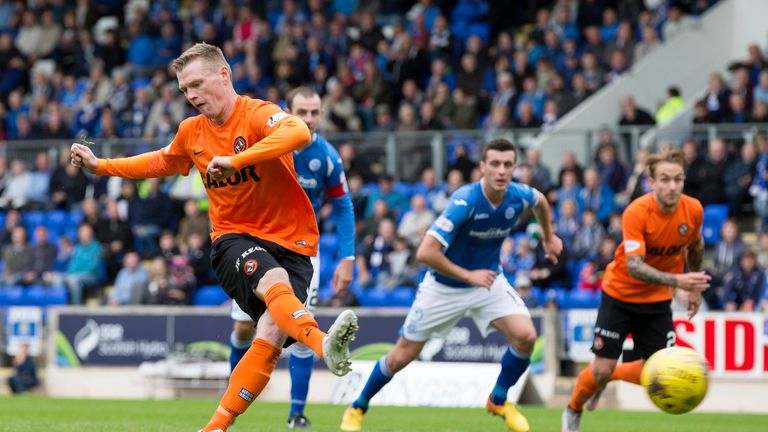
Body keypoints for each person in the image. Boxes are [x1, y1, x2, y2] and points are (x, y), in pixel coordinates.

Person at [69, 43, 358, 432]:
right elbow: (159, 161)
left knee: (271, 333)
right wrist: (101, 165)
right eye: (184, 90)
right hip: (232, 239)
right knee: (273, 283)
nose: (190, 96)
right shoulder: (192, 132)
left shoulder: (256, 113)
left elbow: (298, 131)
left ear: (224, 75)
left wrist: (238, 160)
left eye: (196, 84)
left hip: (293, 243)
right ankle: (323, 344)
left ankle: (216, 427)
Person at [340, 139, 563, 432]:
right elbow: (425, 253)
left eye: (508, 165)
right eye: (494, 164)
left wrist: (548, 237)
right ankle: (357, 407)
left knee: (525, 336)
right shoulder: (465, 201)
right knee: (402, 355)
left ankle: (498, 399)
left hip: (487, 282)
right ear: (482, 167)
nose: (501, 170)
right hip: (444, 287)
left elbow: (541, 202)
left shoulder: (518, 194)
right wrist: (468, 276)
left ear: (514, 168)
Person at [228, 86, 356, 429]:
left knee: (298, 329)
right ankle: (233, 395)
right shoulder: (267, 143)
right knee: (243, 327)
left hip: (301, 252)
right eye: (303, 112)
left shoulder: (326, 156)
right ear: (287, 111)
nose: (310, 119)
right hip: (259, 244)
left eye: (315, 113)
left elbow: (342, 205)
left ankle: (296, 413)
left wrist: (348, 258)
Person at [562, 147, 710, 432]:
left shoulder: (693, 209)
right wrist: (680, 282)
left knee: (659, 372)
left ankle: (610, 376)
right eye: (665, 179)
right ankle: (573, 410)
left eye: (678, 179)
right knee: (600, 368)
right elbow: (635, 267)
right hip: (620, 294)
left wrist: (695, 287)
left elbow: (696, 245)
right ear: (651, 182)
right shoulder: (637, 212)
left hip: (656, 302)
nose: (672, 186)